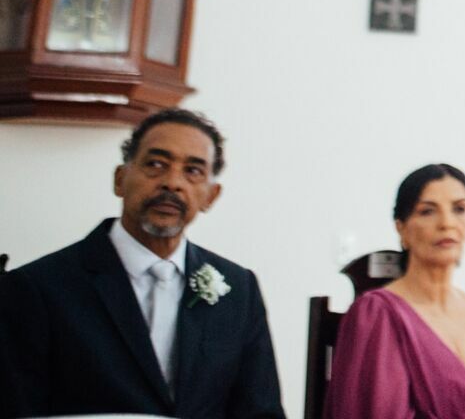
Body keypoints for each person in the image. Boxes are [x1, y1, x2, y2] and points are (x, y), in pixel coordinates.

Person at [0, 107, 284, 418]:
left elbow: (261, 411)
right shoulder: (38, 288)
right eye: (156, 164)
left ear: (210, 196)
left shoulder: (239, 290)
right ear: (120, 179)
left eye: (192, 171)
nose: (172, 183)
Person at [325, 164, 465, 419]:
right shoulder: (377, 315)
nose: (447, 223)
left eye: (459, 209)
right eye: (427, 211)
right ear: (401, 228)